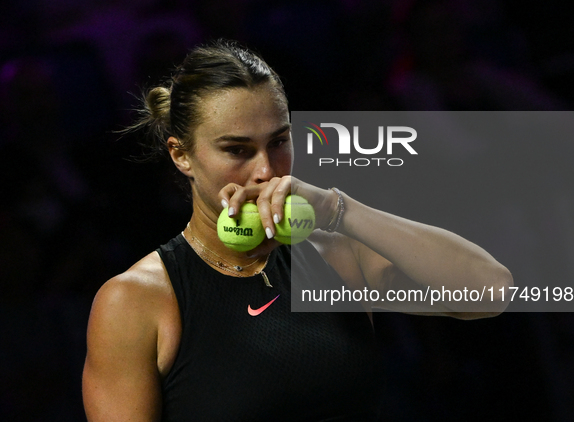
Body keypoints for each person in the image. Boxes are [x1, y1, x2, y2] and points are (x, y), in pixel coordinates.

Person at [82, 39, 513, 421]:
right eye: (237, 149)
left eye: (279, 141)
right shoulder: (135, 302)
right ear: (181, 155)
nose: (266, 170)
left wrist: (338, 209)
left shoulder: (336, 254)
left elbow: (492, 291)